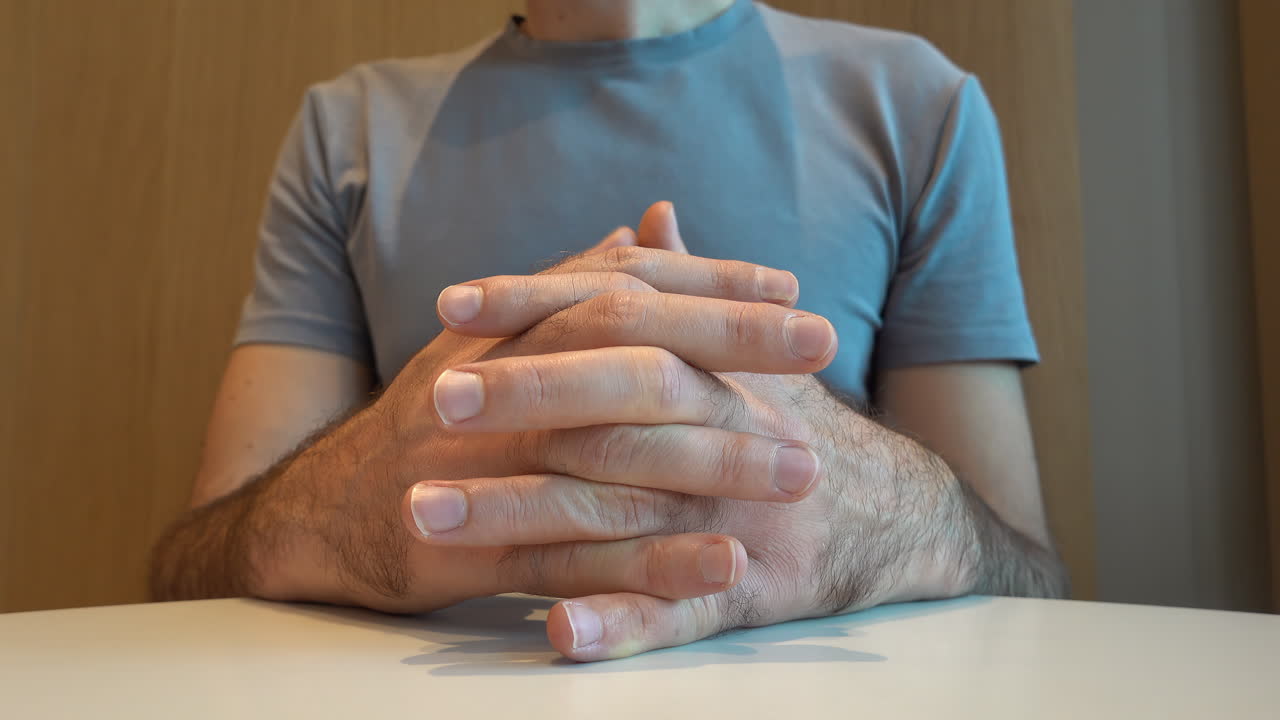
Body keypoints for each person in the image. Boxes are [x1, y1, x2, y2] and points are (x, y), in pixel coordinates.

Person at [150, 0, 1068, 662]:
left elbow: (1026, 580)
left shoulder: (915, 105)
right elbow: (194, 571)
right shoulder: (350, 129)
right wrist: (366, 488)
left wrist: (853, 497)